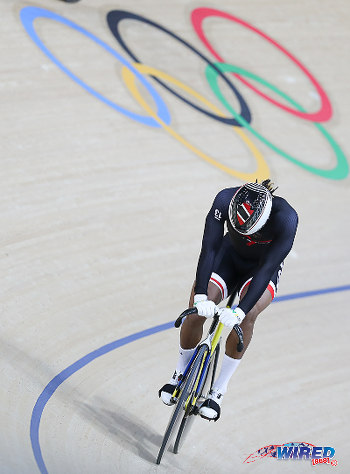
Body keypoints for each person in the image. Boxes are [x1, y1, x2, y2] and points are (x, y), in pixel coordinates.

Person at [159, 179, 298, 421]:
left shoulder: (286, 219)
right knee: (195, 311)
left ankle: (219, 390)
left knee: (249, 315)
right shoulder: (224, 199)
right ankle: (180, 373)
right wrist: (201, 295)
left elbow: (267, 270)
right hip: (228, 256)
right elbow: (209, 248)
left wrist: (240, 311)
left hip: (260, 269)